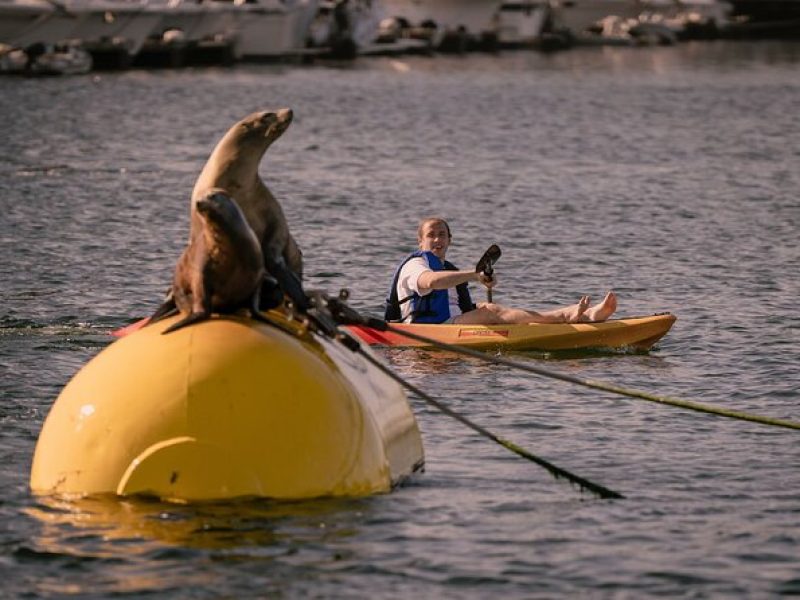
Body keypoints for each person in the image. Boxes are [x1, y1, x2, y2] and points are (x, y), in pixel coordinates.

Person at [385, 217, 617, 325]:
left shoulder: (449, 269)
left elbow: (458, 302)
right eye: (431, 235)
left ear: (450, 240)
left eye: (442, 235)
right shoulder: (415, 265)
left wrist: (481, 280)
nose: (437, 239)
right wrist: (475, 275)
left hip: (452, 324)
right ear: (420, 241)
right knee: (491, 312)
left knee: (488, 309)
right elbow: (432, 282)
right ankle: (569, 317)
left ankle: (582, 316)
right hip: (428, 330)